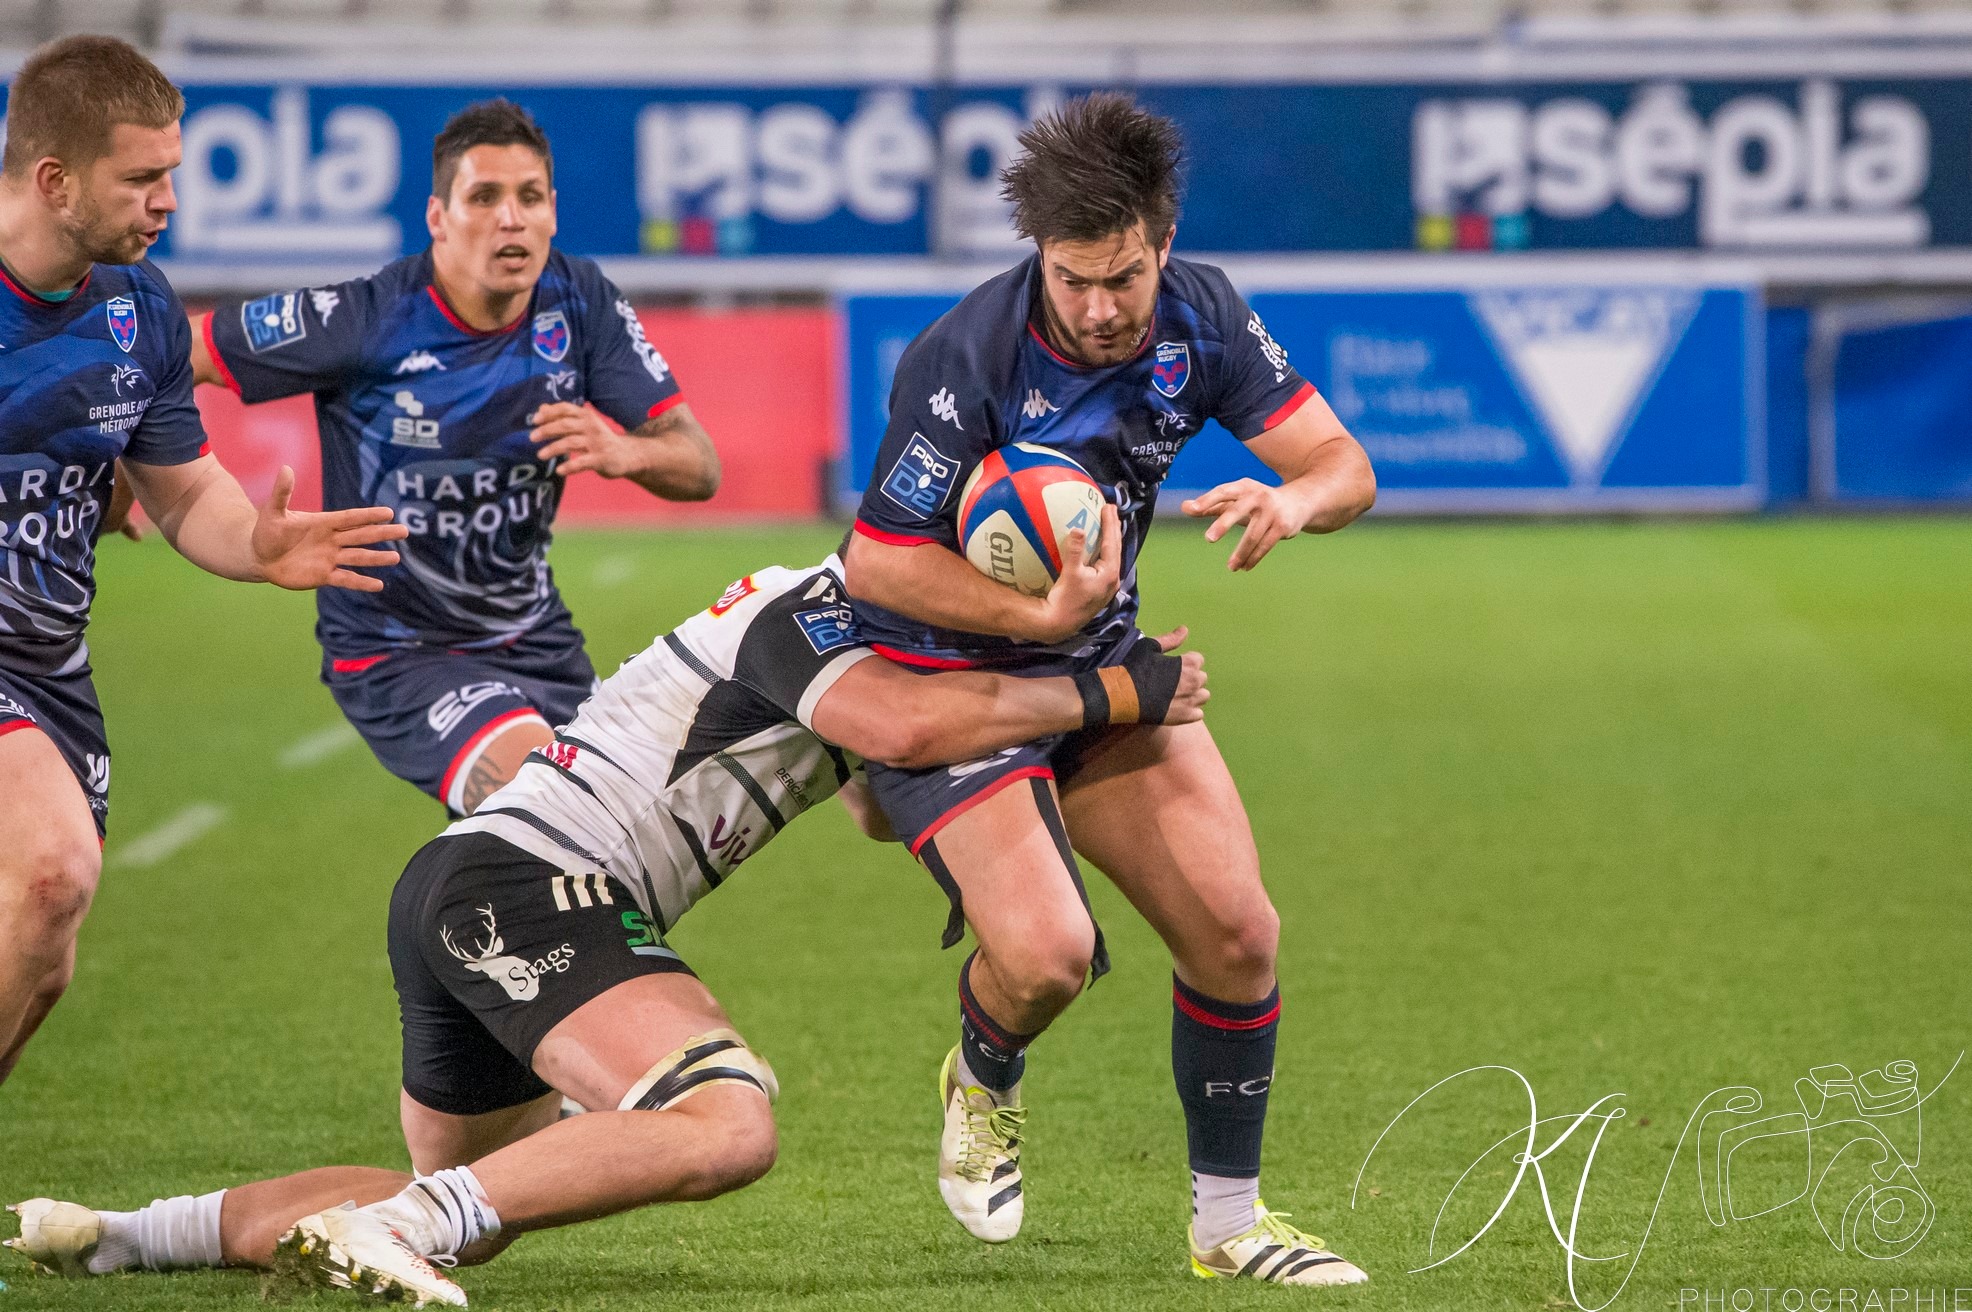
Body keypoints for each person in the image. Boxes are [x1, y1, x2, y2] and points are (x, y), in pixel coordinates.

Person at [7, 543, 1207, 1308]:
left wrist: (988, 743)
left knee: (476, 1191)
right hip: (531, 887)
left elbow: (879, 801)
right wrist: (1111, 692)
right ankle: (390, 1223)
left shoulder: (870, 640)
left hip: (466, 887)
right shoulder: (819, 606)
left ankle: (121, 1236)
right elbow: (891, 736)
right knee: (725, 1121)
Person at [840, 93, 1377, 1284]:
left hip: (1097, 670)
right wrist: (1033, 615)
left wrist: (1292, 500)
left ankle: (1227, 1224)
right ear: (1039, 254)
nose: (1095, 307)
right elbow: (873, 558)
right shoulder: (966, 354)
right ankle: (983, 1072)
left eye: (1120, 277)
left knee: (1238, 934)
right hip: (940, 675)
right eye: (1072, 278)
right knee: (1046, 959)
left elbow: (1346, 464)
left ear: (1163, 241)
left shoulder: (1206, 318)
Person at [0, 36, 408, 1087]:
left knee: (42, 962)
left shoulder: (135, 309)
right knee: (50, 873)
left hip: (52, 672)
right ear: (55, 180)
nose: (168, 199)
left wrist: (259, 544)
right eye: (142, 177)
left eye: (171, 172)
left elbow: (183, 490)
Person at [189, 98, 721, 818]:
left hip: (536, 638)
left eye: (529, 197)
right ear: (438, 217)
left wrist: (624, 450)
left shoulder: (580, 302)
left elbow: (699, 463)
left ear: (553, 211)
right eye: (484, 197)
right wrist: (140, 470)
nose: (512, 217)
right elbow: (183, 353)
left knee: (625, 831)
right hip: (396, 650)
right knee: (544, 797)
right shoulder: (368, 317)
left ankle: (477, 924)